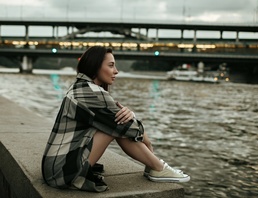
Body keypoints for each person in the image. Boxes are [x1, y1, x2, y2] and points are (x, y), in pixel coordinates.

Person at [41, 46, 190, 192]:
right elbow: (129, 128)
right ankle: (158, 168)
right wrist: (142, 132)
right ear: (95, 66)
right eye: (111, 65)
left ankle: (154, 166)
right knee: (118, 125)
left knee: (117, 123)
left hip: (55, 167)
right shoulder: (91, 92)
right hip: (61, 172)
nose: (116, 71)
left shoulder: (80, 87)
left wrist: (128, 115)